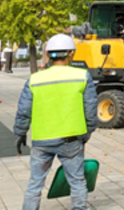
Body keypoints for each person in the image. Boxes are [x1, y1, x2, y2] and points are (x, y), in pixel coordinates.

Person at [14, 33, 98, 210]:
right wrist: (89, 131)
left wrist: (20, 133)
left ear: (48, 55)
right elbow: (90, 108)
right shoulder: (82, 76)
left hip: (42, 140)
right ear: (71, 54)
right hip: (72, 139)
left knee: (35, 183)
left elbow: (23, 111)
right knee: (77, 181)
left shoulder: (34, 79)